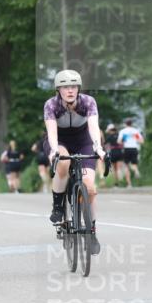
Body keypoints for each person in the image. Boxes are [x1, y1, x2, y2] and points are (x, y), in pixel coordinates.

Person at [44, 69, 107, 254]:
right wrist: (54, 150)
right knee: (63, 163)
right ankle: (58, 207)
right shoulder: (51, 105)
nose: (70, 90)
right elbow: (52, 133)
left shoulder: (88, 102)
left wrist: (98, 148)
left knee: (89, 188)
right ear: (58, 90)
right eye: (65, 87)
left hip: (83, 140)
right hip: (60, 141)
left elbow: (94, 128)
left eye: (73, 86)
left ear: (78, 88)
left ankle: (92, 231)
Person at [117, 119, 144, 186]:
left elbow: (119, 141)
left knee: (126, 166)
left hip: (127, 149)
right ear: (131, 123)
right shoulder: (135, 131)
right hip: (134, 148)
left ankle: (129, 184)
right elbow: (141, 141)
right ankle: (136, 171)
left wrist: (124, 141)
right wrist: (135, 139)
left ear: (125, 124)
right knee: (134, 164)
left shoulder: (123, 131)